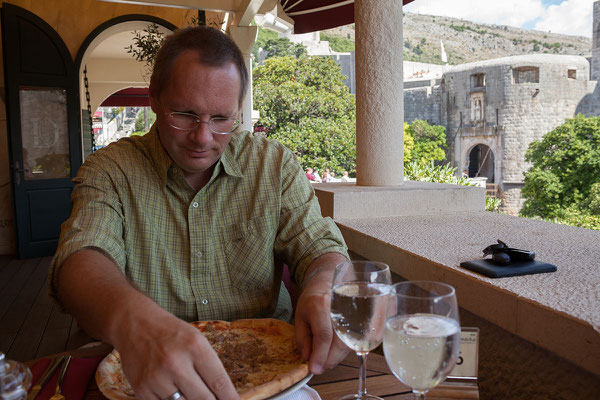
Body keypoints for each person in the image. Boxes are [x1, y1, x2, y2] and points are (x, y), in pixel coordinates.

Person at [49, 26, 349, 400]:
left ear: (239, 109)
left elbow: (319, 247)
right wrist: (138, 324)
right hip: (144, 377)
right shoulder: (111, 169)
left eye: (222, 119)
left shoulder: (273, 165)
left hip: (271, 368)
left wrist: (324, 287)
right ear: (154, 99)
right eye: (185, 114)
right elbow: (80, 258)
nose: (203, 138)